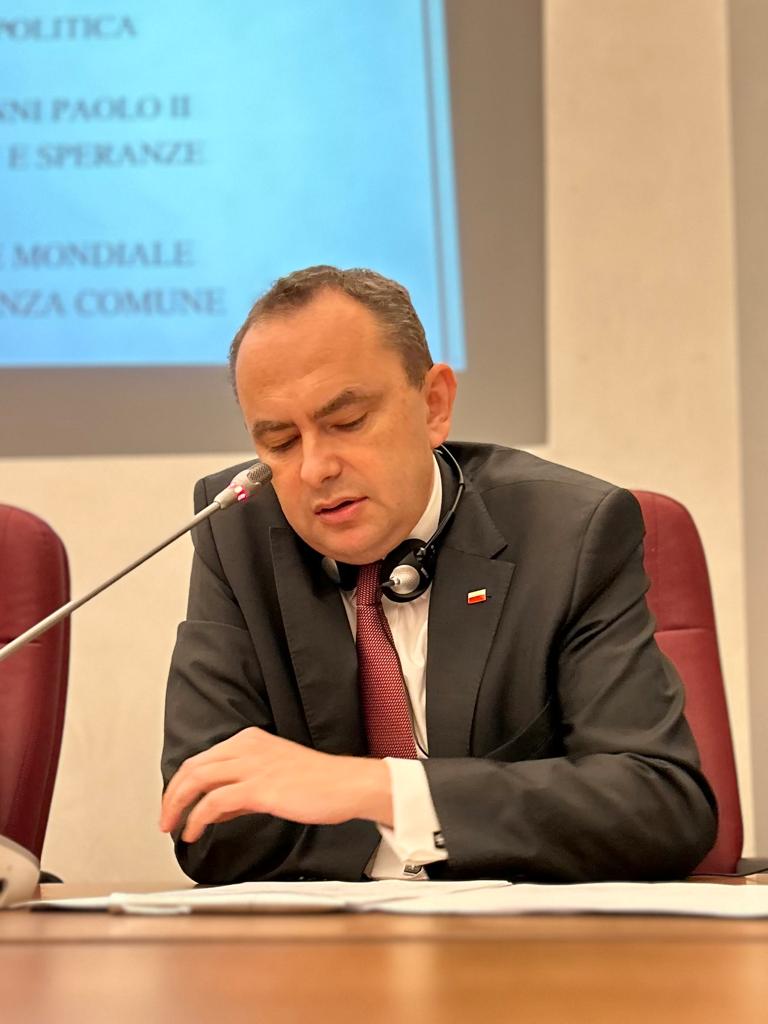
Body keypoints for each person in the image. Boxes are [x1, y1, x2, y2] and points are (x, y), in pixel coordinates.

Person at [160, 265, 716, 884]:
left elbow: (658, 806)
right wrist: (453, 820)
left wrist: (381, 792)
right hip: (328, 941)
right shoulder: (235, 530)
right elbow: (208, 823)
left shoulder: (569, 534)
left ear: (433, 405)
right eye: (281, 442)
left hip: (531, 942)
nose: (315, 468)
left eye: (347, 422)